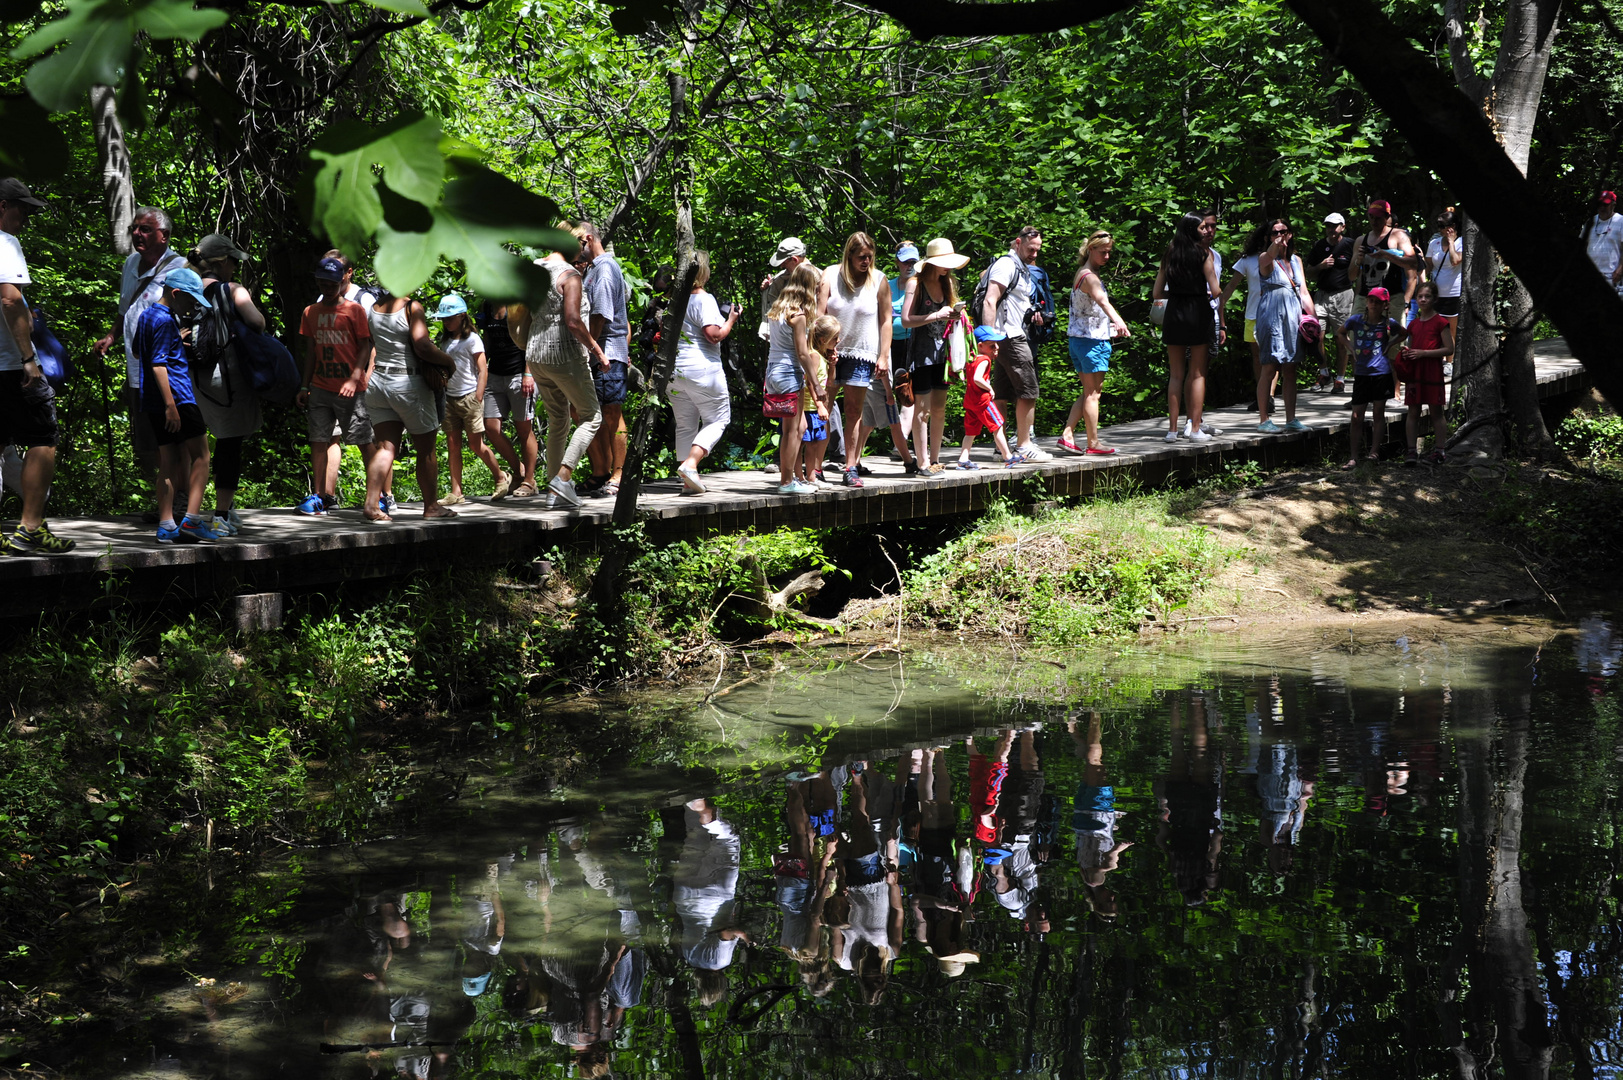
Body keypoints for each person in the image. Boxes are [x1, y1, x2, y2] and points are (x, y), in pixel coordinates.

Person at [94, 205, 188, 517]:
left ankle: (180, 503)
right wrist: (111, 336)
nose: (137, 234)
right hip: (138, 371)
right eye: (135, 228)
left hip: (168, 373)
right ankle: (164, 500)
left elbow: (192, 316)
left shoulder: (180, 268)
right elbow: (126, 308)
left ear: (164, 236)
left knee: (176, 439)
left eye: (145, 229)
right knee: (149, 441)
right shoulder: (131, 262)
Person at [0, 179, 72, 554]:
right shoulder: (5, 243)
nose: (26, 217)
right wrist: (30, 360)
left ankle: (34, 527)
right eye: (21, 208)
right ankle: (29, 528)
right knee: (43, 437)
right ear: (2, 205)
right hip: (10, 365)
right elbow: (10, 300)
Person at [819, 232, 911, 486]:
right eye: (861, 257)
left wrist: (883, 356)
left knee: (853, 411)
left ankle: (850, 467)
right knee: (822, 408)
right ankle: (815, 467)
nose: (866, 262)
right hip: (831, 353)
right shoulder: (829, 275)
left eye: (870, 257)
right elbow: (819, 314)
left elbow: (886, 321)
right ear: (849, 255)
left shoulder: (879, 280)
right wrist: (822, 349)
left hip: (863, 353)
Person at [134, 268, 218, 543]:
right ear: (176, 293)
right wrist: (172, 405)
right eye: (191, 300)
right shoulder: (165, 321)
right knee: (203, 457)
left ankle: (167, 524)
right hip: (177, 398)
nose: (193, 307)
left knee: (168, 461)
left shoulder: (147, 316)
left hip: (153, 402)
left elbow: (139, 350)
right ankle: (192, 521)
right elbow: (158, 364)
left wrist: (174, 344)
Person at [521, 241, 608, 507]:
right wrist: (596, 350)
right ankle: (563, 476)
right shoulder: (569, 274)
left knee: (558, 418)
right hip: (565, 356)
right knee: (592, 416)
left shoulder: (535, 268)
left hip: (536, 355)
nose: (583, 248)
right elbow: (573, 320)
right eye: (581, 242)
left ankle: (552, 491)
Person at [189, 233, 264, 537]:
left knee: (203, 443)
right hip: (226, 376)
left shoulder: (186, 287)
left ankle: (194, 512)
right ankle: (221, 515)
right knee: (231, 443)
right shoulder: (232, 290)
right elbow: (257, 322)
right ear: (222, 262)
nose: (235, 266)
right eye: (233, 261)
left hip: (193, 376)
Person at [361, 291, 458, 521]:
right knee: (426, 450)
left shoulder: (374, 308)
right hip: (408, 384)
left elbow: (375, 344)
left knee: (386, 448)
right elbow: (422, 345)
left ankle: (372, 505)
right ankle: (432, 508)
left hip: (379, 382)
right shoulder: (412, 307)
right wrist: (448, 362)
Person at [296, 256, 375, 516]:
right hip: (320, 386)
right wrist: (304, 386)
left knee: (364, 441)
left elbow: (365, 346)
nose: (328, 289)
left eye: (332, 284)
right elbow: (311, 351)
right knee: (318, 440)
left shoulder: (354, 310)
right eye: (323, 284)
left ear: (342, 280)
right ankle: (320, 497)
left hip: (350, 389)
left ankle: (378, 496)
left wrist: (355, 378)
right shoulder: (311, 312)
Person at [980, 225, 1051, 462]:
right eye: (1031, 249)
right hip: (1008, 337)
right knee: (1029, 390)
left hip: (1006, 335)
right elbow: (990, 301)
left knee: (1001, 393)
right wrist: (988, 340)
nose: (1035, 254)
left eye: (1038, 249)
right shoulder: (1007, 265)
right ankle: (1024, 445)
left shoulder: (1020, 267)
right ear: (1018, 243)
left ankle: (1001, 447)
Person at [900, 237, 969, 476]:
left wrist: (954, 315)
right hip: (922, 356)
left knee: (939, 408)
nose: (947, 267)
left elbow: (946, 315)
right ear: (930, 262)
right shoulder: (915, 284)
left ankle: (935, 459)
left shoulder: (947, 282)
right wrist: (936, 316)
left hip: (943, 355)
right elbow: (905, 320)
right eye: (943, 262)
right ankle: (922, 462)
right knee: (922, 410)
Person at [1152, 212, 1222, 443]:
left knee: (1176, 374)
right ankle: (1194, 430)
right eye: (1202, 227)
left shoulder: (1170, 254)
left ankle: (1172, 431)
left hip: (1174, 313)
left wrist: (1178, 293)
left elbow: (1157, 293)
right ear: (1192, 229)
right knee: (1198, 373)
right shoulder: (1203, 254)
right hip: (1198, 312)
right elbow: (1216, 289)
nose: (1205, 231)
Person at [1058, 230, 1129, 455]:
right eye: (1103, 252)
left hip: (1083, 340)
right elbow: (1103, 302)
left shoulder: (1082, 273)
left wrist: (1108, 329)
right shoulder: (1089, 276)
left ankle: (1067, 434)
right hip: (1089, 343)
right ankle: (1093, 443)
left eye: (1109, 253)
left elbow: (1086, 313)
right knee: (1092, 394)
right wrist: (1118, 322)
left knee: (1090, 391)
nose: (1107, 257)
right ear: (1091, 250)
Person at [670, 250, 734, 495]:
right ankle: (691, 463)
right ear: (702, 272)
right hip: (702, 370)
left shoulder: (675, 299)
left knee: (685, 424)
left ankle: (688, 480)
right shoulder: (703, 299)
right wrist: (731, 320)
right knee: (718, 419)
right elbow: (713, 335)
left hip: (675, 371)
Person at [434, 294, 506, 505]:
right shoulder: (445, 339)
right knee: (453, 445)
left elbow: (482, 370)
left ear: (462, 316)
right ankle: (456, 492)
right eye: (444, 319)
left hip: (469, 397)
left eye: (450, 318)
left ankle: (501, 477)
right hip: (449, 398)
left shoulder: (472, 339)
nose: (446, 322)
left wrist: (478, 396)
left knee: (476, 444)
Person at [577, 223, 630, 497]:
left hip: (606, 353)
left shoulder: (606, 269)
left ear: (587, 239)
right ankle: (601, 472)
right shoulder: (592, 270)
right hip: (596, 353)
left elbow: (600, 316)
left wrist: (588, 351)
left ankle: (619, 474)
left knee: (612, 413)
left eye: (575, 243)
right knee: (586, 414)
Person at [762, 262, 825, 495]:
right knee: (793, 430)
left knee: (798, 426)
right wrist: (816, 385)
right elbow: (802, 353)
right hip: (789, 372)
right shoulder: (797, 315)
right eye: (816, 288)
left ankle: (790, 479)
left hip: (773, 372)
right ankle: (787, 483)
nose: (819, 292)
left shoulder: (777, 309)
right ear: (808, 287)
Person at [1253, 219, 1317, 433]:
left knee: (1291, 367)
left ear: (1291, 234)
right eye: (1274, 232)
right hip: (1271, 316)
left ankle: (1291, 419)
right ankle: (1264, 420)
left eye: (1284, 231)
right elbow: (1269, 256)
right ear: (1268, 237)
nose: (1280, 235)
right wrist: (1276, 245)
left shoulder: (1297, 260)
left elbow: (1304, 292)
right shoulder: (1265, 258)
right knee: (1270, 367)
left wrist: (1314, 320)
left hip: (1293, 318)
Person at [1336, 286, 1406, 469]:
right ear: (1366, 302)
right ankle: (1353, 457)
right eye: (1371, 300)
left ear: (1385, 305)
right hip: (1361, 374)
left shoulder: (1388, 323)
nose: (1373, 304)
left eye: (1378, 301)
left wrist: (1390, 343)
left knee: (1378, 414)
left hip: (1381, 373)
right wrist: (1350, 348)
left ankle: (1374, 453)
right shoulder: (1355, 320)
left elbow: (1404, 333)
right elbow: (1340, 332)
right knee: (1356, 416)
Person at [476, 300, 538, 500]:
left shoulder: (519, 305)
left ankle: (529, 480)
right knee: (491, 427)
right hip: (495, 374)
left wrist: (528, 374)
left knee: (524, 429)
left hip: (519, 374)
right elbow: (486, 340)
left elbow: (531, 338)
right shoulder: (487, 306)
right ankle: (518, 471)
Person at [1401, 281, 1454, 465]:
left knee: (1436, 411)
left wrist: (1424, 353)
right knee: (1413, 411)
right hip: (1415, 372)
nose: (1423, 300)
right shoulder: (1414, 324)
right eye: (1420, 296)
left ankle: (1440, 451)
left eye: (1427, 296)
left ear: (1434, 299)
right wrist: (1407, 353)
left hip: (1432, 372)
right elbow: (1410, 344)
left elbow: (1449, 349)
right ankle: (1411, 451)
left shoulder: (1441, 322)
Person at [1305, 212, 1356, 392]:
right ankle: (1324, 373)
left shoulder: (1350, 244)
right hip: (1322, 296)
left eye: (1335, 226)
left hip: (1343, 296)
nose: (1331, 229)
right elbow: (1308, 271)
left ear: (1342, 227)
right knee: (1316, 336)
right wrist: (1321, 266)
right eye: (1328, 226)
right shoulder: (1319, 246)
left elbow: (1359, 266)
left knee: (1341, 338)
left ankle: (1340, 379)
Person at [956, 328, 1020, 469]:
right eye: (992, 345)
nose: (996, 348)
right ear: (980, 346)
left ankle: (963, 459)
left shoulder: (971, 359)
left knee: (970, 432)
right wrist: (990, 388)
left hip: (971, 402)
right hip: (982, 401)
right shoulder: (984, 359)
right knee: (997, 426)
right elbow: (977, 378)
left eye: (997, 345)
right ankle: (1008, 457)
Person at [1349, 198, 1418, 325]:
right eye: (1371, 217)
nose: (1374, 221)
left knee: (1395, 340)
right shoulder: (1360, 240)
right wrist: (1358, 261)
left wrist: (1386, 255)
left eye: (1378, 218)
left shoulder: (1398, 236)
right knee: (1356, 337)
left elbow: (1413, 263)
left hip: (1392, 297)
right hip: (1365, 297)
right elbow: (1352, 276)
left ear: (1387, 218)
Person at [1218, 227, 1266, 409]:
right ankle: (1262, 395)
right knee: (1257, 357)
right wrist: (1219, 304)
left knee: (1271, 356)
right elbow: (1231, 285)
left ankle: (1267, 397)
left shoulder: (1279, 259)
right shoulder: (1247, 260)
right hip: (1252, 313)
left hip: (1272, 313)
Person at [802, 315, 840, 484]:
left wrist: (832, 365)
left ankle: (811, 476)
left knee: (815, 444)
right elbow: (810, 382)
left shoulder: (821, 356)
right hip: (809, 408)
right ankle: (806, 477)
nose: (838, 341)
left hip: (815, 407)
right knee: (808, 445)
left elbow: (830, 383)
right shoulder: (814, 356)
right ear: (824, 339)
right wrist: (819, 405)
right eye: (835, 338)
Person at [758, 237, 808, 340]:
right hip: (782, 342)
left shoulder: (819, 278)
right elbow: (771, 311)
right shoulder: (780, 279)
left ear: (794, 259)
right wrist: (766, 290)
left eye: (784, 263)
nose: (781, 266)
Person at [1425, 208, 1464, 336]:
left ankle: (1449, 357)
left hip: (1453, 294)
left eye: (1442, 226)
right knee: (1434, 331)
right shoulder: (1433, 243)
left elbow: (1455, 260)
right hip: (1436, 294)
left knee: (1450, 332)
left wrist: (1451, 242)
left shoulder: (1461, 242)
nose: (1439, 229)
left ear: (1452, 226)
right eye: (1438, 225)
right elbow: (1428, 266)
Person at [1584, 191, 1623, 295]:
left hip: (1610, 277)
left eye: (1605, 204)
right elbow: (1582, 245)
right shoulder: (1591, 221)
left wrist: (1620, 269)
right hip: (1589, 274)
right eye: (1599, 204)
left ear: (1613, 204)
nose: (1602, 207)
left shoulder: (1620, 221)